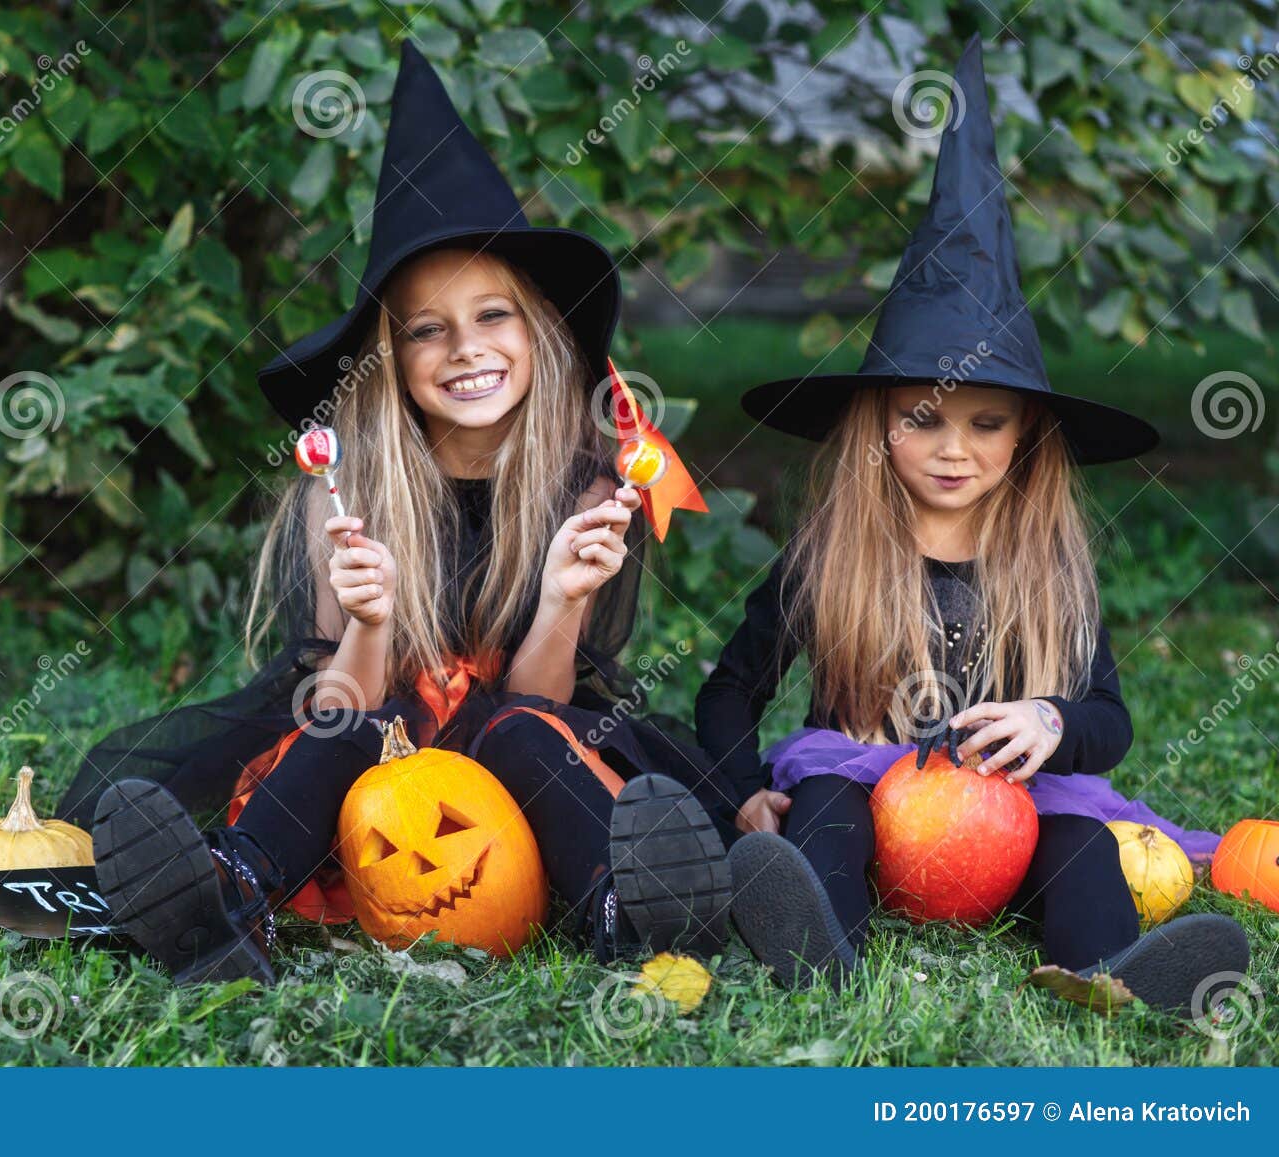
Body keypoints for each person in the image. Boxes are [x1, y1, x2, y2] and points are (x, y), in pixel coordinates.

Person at [61, 41, 734, 986]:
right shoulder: (346, 489)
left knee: (524, 734)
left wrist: (562, 604)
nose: (467, 349)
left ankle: (631, 913)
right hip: (376, 764)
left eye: (493, 315)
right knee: (341, 724)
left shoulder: (587, 485)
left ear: (536, 330)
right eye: (428, 328)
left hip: (517, 760)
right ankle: (228, 899)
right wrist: (371, 625)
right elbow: (343, 696)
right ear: (390, 355)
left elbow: (542, 697)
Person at [698, 36, 1248, 1016]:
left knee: (1080, 837)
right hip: (872, 800)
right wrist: (744, 787)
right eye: (923, 419)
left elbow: (1107, 721)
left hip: (1009, 812)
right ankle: (815, 944)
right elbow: (731, 687)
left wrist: (1049, 720)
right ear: (880, 426)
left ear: (1027, 435)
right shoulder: (832, 553)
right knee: (824, 800)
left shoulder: (1048, 564)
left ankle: (1109, 973)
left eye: (985, 423)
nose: (954, 447)